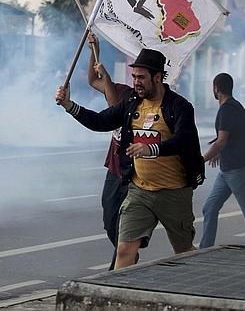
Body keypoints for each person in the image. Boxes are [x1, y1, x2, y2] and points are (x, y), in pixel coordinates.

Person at [55, 48, 204, 269]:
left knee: (183, 250)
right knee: (124, 250)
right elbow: (101, 121)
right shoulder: (132, 103)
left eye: (141, 77)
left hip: (174, 192)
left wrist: (150, 150)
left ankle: (205, 281)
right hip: (139, 192)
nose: (136, 82)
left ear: (157, 77)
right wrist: (70, 106)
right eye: (134, 77)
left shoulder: (179, 107)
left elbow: (183, 140)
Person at [199, 73, 245, 249]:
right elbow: (235, 137)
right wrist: (220, 153)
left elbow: (222, 140)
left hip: (237, 170)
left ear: (216, 88)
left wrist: (201, 160)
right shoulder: (235, 106)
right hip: (228, 170)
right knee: (209, 208)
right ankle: (205, 249)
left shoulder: (226, 110)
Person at [86, 33, 130, 270]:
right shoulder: (119, 89)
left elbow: (115, 111)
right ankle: (127, 255)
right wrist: (94, 50)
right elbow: (92, 80)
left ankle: (122, 262)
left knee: (125, 223)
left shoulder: (133, 99)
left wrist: (109, 79)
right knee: (109, 219)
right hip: (113, 169)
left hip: (131, 172)